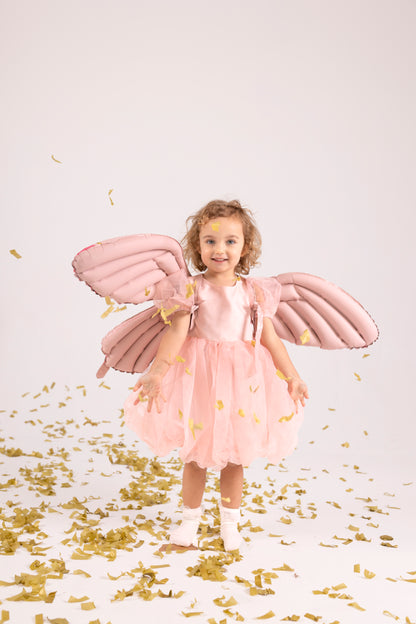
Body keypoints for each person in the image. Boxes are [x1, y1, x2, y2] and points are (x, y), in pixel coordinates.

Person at [123, 199, 309, 551]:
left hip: (242, 381)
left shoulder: (255, 291)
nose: (219, 249)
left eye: (229, 241)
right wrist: (158, 372)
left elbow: (269, 339)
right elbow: (176, 334)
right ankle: (189, 523)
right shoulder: (190, 289)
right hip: (199, 379)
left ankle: (230, 524)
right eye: (209, 241)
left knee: (235, 455)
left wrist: (292, 377)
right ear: (197, 246)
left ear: (246, 247)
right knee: (196, 453)